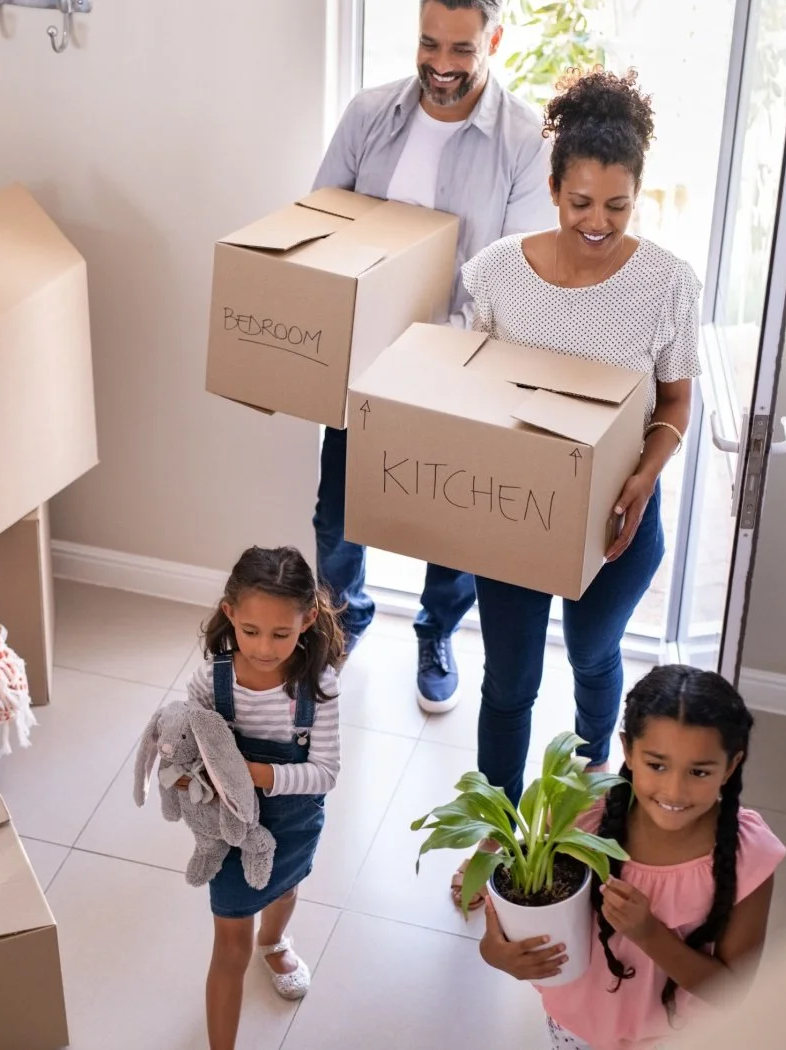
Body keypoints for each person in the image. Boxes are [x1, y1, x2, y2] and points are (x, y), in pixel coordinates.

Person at [460, 68, 702, 804]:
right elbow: (469, 388)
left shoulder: (668, 284)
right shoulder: (498, 272)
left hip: (619, 516)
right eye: (580, 203)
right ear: (553, 185)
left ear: (638, 196)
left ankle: (595, 775)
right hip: (515, 512)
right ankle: (494, 830)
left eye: (618, 206)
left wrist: (645, 476)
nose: (597, 222)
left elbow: (676, 402)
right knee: (509, 682)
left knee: (595, 654)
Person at [311, 0, 556, 714]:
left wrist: (432, 346)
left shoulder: (525, 140)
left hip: (460, 366)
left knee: (448, 524)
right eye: (428, 44)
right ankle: (342, 619)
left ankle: (436, 631)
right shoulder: (369, 115)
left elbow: (513, 275)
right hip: (362, 362)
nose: (441, 64)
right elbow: (321, 219)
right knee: (338, 512)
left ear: (496, 40)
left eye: (461, 48)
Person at [477, 665, 786, 1049]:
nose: (674, 790)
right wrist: (496, 953)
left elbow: (733, 991)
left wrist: (650, 934)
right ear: (627, 749)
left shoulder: (748, 858)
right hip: (576, 1028)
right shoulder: (578, 818)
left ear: (731, 766)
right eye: (657, 765)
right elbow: (513, 918)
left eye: (699, 772)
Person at [186, 546, 346, 1050]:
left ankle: (275, 941)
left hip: (293, 821)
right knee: (229, 946)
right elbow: (187, 750)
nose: (263, 647)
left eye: (281, 633)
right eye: (250, 631)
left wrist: (252, 773)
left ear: (308, 620)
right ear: (229, 613)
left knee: (285, 888)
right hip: (231, 828)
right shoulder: (209, 682)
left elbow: (325, 774)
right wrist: (195, 778)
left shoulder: (317, 686)